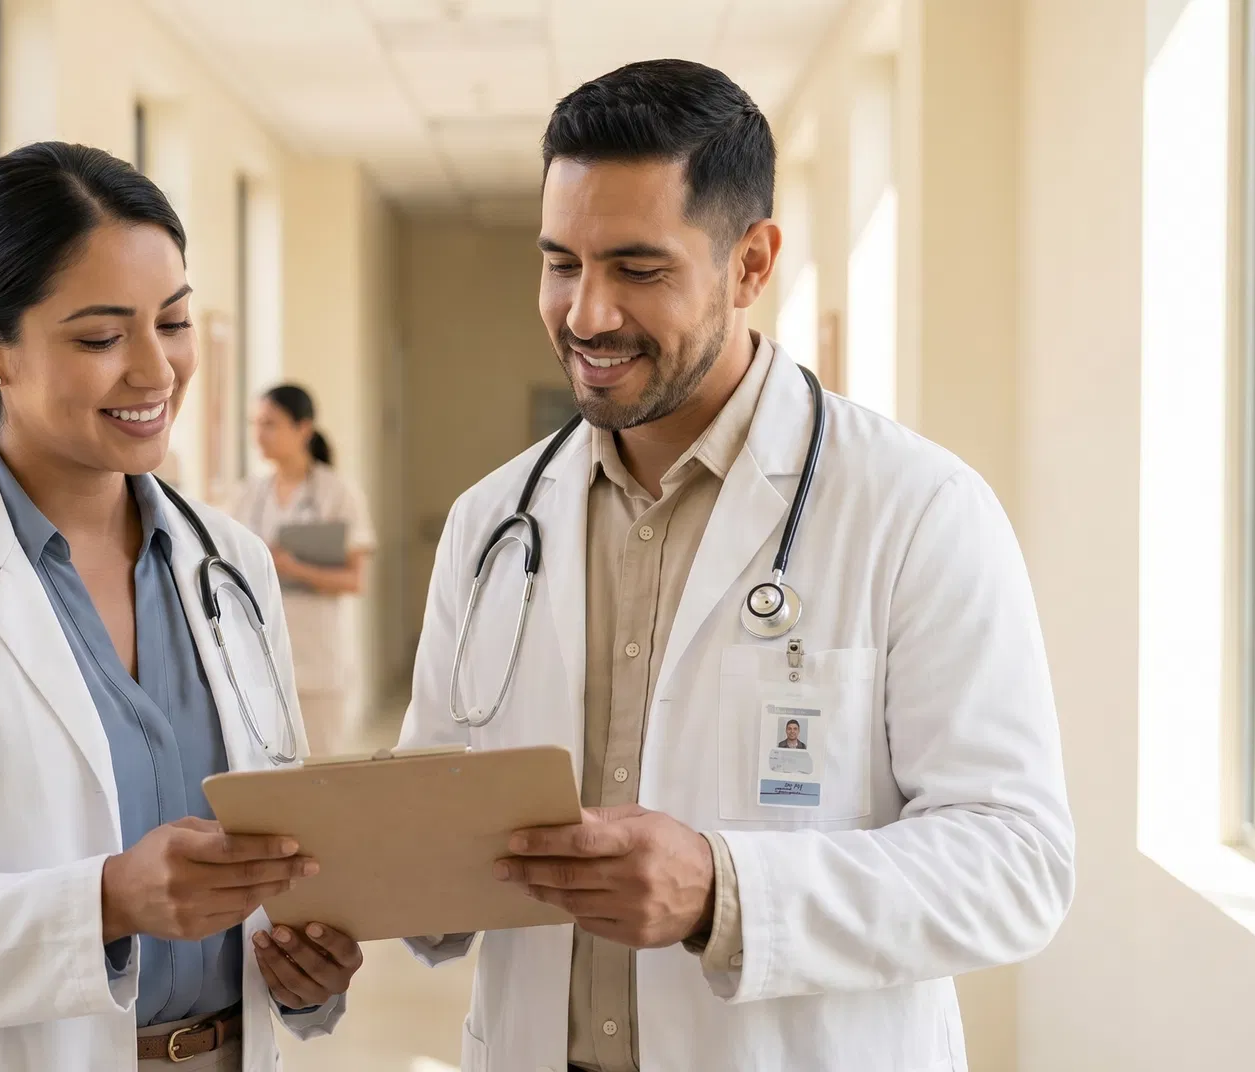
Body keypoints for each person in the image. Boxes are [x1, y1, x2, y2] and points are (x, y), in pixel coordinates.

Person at [397, 60, 1073, 1071]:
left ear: (751, 263)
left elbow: (1017, 865)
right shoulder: (495, 521)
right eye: (560, 262)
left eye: (637, 267)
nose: (584, 314)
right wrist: (362, 890)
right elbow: (437, 800)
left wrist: (726, 891)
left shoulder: (916, 509)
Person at [0, 143, 361, 1072]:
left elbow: (263, 873)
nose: (155, 372)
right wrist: (106, 902)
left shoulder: (232, 566)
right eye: (100, 338)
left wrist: (303, 965)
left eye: (172, 322)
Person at [228, 384, 375, 755]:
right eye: (256, 424)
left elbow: (355, 580)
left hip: (318, 662)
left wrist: (292, 566)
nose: (259, 435)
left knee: (320, 773)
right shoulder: (248, 494)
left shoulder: (337, 492)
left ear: (303, 429)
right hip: (260, 658)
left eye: (270, 424)